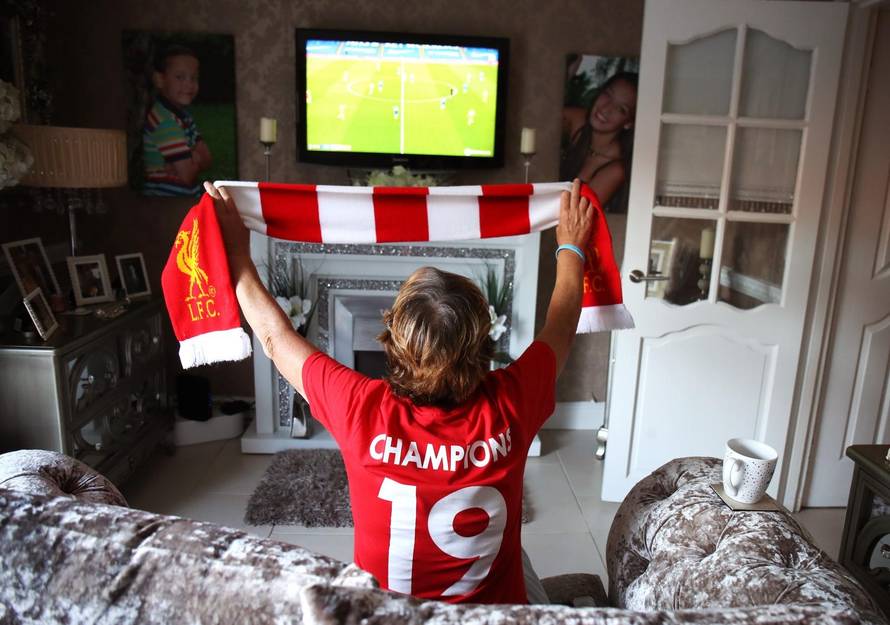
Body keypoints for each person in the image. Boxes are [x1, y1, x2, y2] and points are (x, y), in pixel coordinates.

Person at [204, 179, 593, 605]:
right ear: (484, 343)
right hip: (492, 618)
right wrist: (571, 246)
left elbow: (275, 338)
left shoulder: (358, 405)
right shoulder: (515, 399)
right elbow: (562, 322)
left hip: (390, 616)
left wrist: (237, 252)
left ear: (393, 341)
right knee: (517, 554)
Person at [560, 72, 638, 212]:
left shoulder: (616, 170)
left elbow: (578, 214)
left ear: (628, 123)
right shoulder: (578, 121)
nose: (606, 109)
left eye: (621, 109)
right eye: (608, 95)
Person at [142, 45, 212, 197]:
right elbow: (188, 176)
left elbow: (208, 159)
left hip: (183, 197)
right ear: (160, 80)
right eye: (180, 77)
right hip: (164, 201)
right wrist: (195, 156)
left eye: (194, 78)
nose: (189, 84)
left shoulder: (184, 116)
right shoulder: (165, 121)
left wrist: (193, 158)